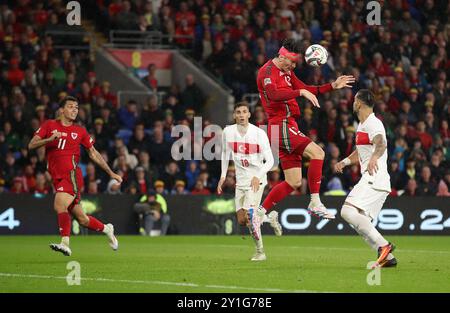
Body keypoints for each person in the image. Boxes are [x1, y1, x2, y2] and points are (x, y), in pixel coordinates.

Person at [253, 38, 355, 229]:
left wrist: (332, 86)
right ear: (282, 56)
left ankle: (259, 213)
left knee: (294, 181)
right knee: (319, 153)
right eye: (291, 62)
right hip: (279, 124)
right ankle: (315, 202)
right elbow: (275, 95)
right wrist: (299, 93)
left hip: (287, 124)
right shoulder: (266, 73)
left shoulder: (287, 72)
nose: (293, 66)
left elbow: (307, 88)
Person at [28, 96, 123, 256]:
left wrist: (111, 173)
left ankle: (65, 243)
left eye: (76, 107)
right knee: (82, 219)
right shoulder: (49, 125)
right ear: (61, 110)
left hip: (71, 175)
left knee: (59, 205)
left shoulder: (80, 131)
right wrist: (49, 139)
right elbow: (31, 145)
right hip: (57, 177)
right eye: (71, 106)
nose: (74, 110)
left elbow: (93, 153)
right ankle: (108, 229)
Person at [335, 90, 397, 268]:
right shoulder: (362, 125)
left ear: (359, 103)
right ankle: (388, 258)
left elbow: (381, 143)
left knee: (347, 212)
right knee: (360, 223)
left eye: (354, 100)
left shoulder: (373, 123)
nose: (352, 102)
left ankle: (384, 245)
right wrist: (345, 161)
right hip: (376, 179)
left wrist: (374, 158)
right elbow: (361, 152)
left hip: (374, 177)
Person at [217, 102, 280, 262]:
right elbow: (225, 154)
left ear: (249, 115)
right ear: (234, 115)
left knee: (250, 217)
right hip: (241, 181)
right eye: (238, 112)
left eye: (244, 112)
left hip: (256, 181)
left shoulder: (259, 133)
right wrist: (223, 176)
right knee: (242, 220)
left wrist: (258, 175)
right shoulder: (228, 132)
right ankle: (268, 218)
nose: (241, 115)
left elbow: (271, 160)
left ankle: (260, 252)